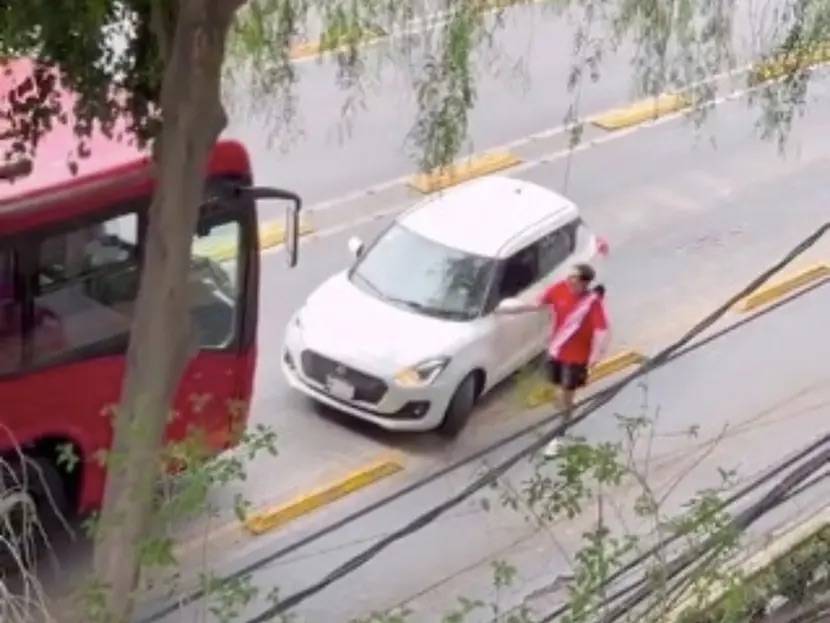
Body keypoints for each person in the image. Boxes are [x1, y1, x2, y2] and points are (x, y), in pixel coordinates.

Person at [502, 263, 610, 458]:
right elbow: (538, 303)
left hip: (576, 359)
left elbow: (601, 330)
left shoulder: (592, 304)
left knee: (564, 397)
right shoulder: (560, 288)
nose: (569, 280)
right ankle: (568, 404)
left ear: (584, 283)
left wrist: (596, 356)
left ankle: (560, 435)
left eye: (574, 278)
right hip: (556, 351)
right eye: (569, 276)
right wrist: (512, 309)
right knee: (555, 389)